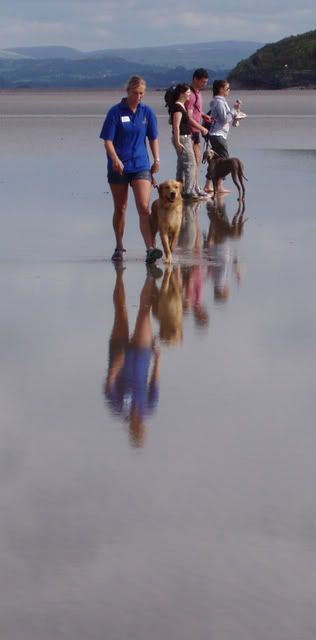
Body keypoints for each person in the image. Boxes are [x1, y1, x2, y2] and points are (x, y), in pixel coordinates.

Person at [99, 75, 162, 264]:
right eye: (135, 93)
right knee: (121, 208)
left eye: (142, 93)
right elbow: (107, 141)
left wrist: (157, 159)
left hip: (141, 165)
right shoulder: (115, 112)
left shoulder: (147, 112)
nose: (139, 97)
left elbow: (153, 138)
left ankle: (150, 248)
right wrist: (115, 159)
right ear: (127, 91)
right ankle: (119, 246)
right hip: (119, 167)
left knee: (144, 207)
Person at [105, 266, 161, 448]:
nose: (138, 426)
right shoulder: (149, 408)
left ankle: (119, 275)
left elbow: (109, 384)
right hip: (143, 353)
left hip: (120, 353)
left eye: (136, 430)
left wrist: (116, 364)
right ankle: (151, 276)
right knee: (145, 311)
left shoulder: (118, 408)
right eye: (140, 429)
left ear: (131, 430)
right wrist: (158, 357)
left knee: (120, 311)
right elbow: (154, 383)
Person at [204, 80, 238, 195]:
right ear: (220, 89)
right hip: (218, 135)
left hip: (218, 134)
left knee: (216, 161)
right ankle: (218, 186)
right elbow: (224, 119)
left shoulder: (219, 101)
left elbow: (225, 119)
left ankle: (209, 185)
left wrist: (234, 113)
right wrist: (233, 111)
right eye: (227, 88)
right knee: (224, 161)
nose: (229, 90)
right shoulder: (219, 102)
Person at [165, 83, 198, 199]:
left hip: (184, 137)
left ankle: (179, 189)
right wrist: (178, 141)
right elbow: (176, 125)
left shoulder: (180, 106)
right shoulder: (178, 107)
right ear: (181, 93)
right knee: (190, 164)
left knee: (181, 165)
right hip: (183, 138)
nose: (189, 94)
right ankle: (188, 192)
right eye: (188, 92)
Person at [185, 68, 212, 197]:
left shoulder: (198, 93)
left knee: (196, 159)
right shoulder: (190, 95)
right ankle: (193, 188)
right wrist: (202, 128)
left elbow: (195, 111)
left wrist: (203, 115)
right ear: (195, 79)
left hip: (196, 129)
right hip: (191, 131)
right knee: (193, 161)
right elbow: (188, 117)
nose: (204, 84)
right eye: (202, 82)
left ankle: (194, 187)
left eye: (206, 82)